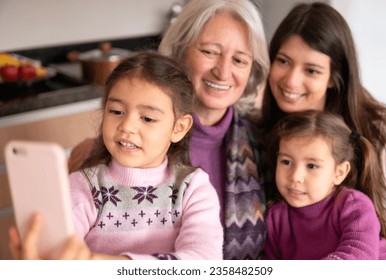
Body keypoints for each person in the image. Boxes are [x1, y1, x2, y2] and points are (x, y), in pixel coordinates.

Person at [68, 0, 270, 260]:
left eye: (240, 60)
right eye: (210, 51)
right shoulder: (113, 152)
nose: (223, 71)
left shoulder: (262, 144)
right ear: (180, 50)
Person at [9, 52, 223, 260]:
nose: (127, 126)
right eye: (116, 112)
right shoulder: (83, 187)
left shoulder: (193, 188)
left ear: (179, 127)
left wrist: (96, 263)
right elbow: (58, 254)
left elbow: (203, 260)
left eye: (147, 118)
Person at [259, 2, 386, 248]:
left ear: (334, 79)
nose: (291, 80)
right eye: (283, 61)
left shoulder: (380, 133)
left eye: (311, 70)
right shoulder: (257, 129)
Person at [263, 110, 386, 260]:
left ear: (339, 173)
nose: (295, 176)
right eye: (286, 162)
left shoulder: (353, 206)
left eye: (311, 166)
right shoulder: (275, 217)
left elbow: (360, 257)